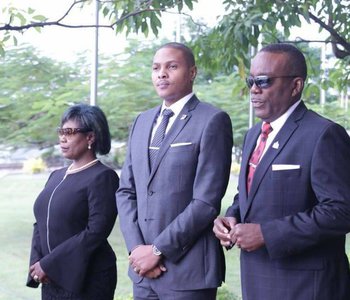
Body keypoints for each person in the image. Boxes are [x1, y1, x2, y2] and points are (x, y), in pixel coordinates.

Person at [213, 43, 350, 300]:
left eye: (264, 81)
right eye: (251, 80)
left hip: (307, 286)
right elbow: (251, 192)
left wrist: (267, 233)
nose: (254, 89)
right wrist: (232, 217)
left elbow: (341, 211)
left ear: (296, 86)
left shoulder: (324, 135)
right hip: (257, 281)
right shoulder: (254, 134)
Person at [116, 42, 233, 300]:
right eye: (156, 68)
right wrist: (138, 250)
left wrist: (157, 251)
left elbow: (205, 203)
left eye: (172, 66)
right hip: (143, 274)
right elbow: (126, 191)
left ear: (192, 72)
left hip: (188, 273)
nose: (162, 74)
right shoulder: (142, 121)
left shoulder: (212, 120)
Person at [26, 104, 119, 299]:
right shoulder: (55, 176)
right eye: (61, 131)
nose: (62, 138)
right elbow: (40, 223)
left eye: (69, 132)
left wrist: (49, 264)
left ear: (90, 137)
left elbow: (96, 231)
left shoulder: (103, 177)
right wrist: (37, 263)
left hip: (87, 279)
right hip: (51, 278)